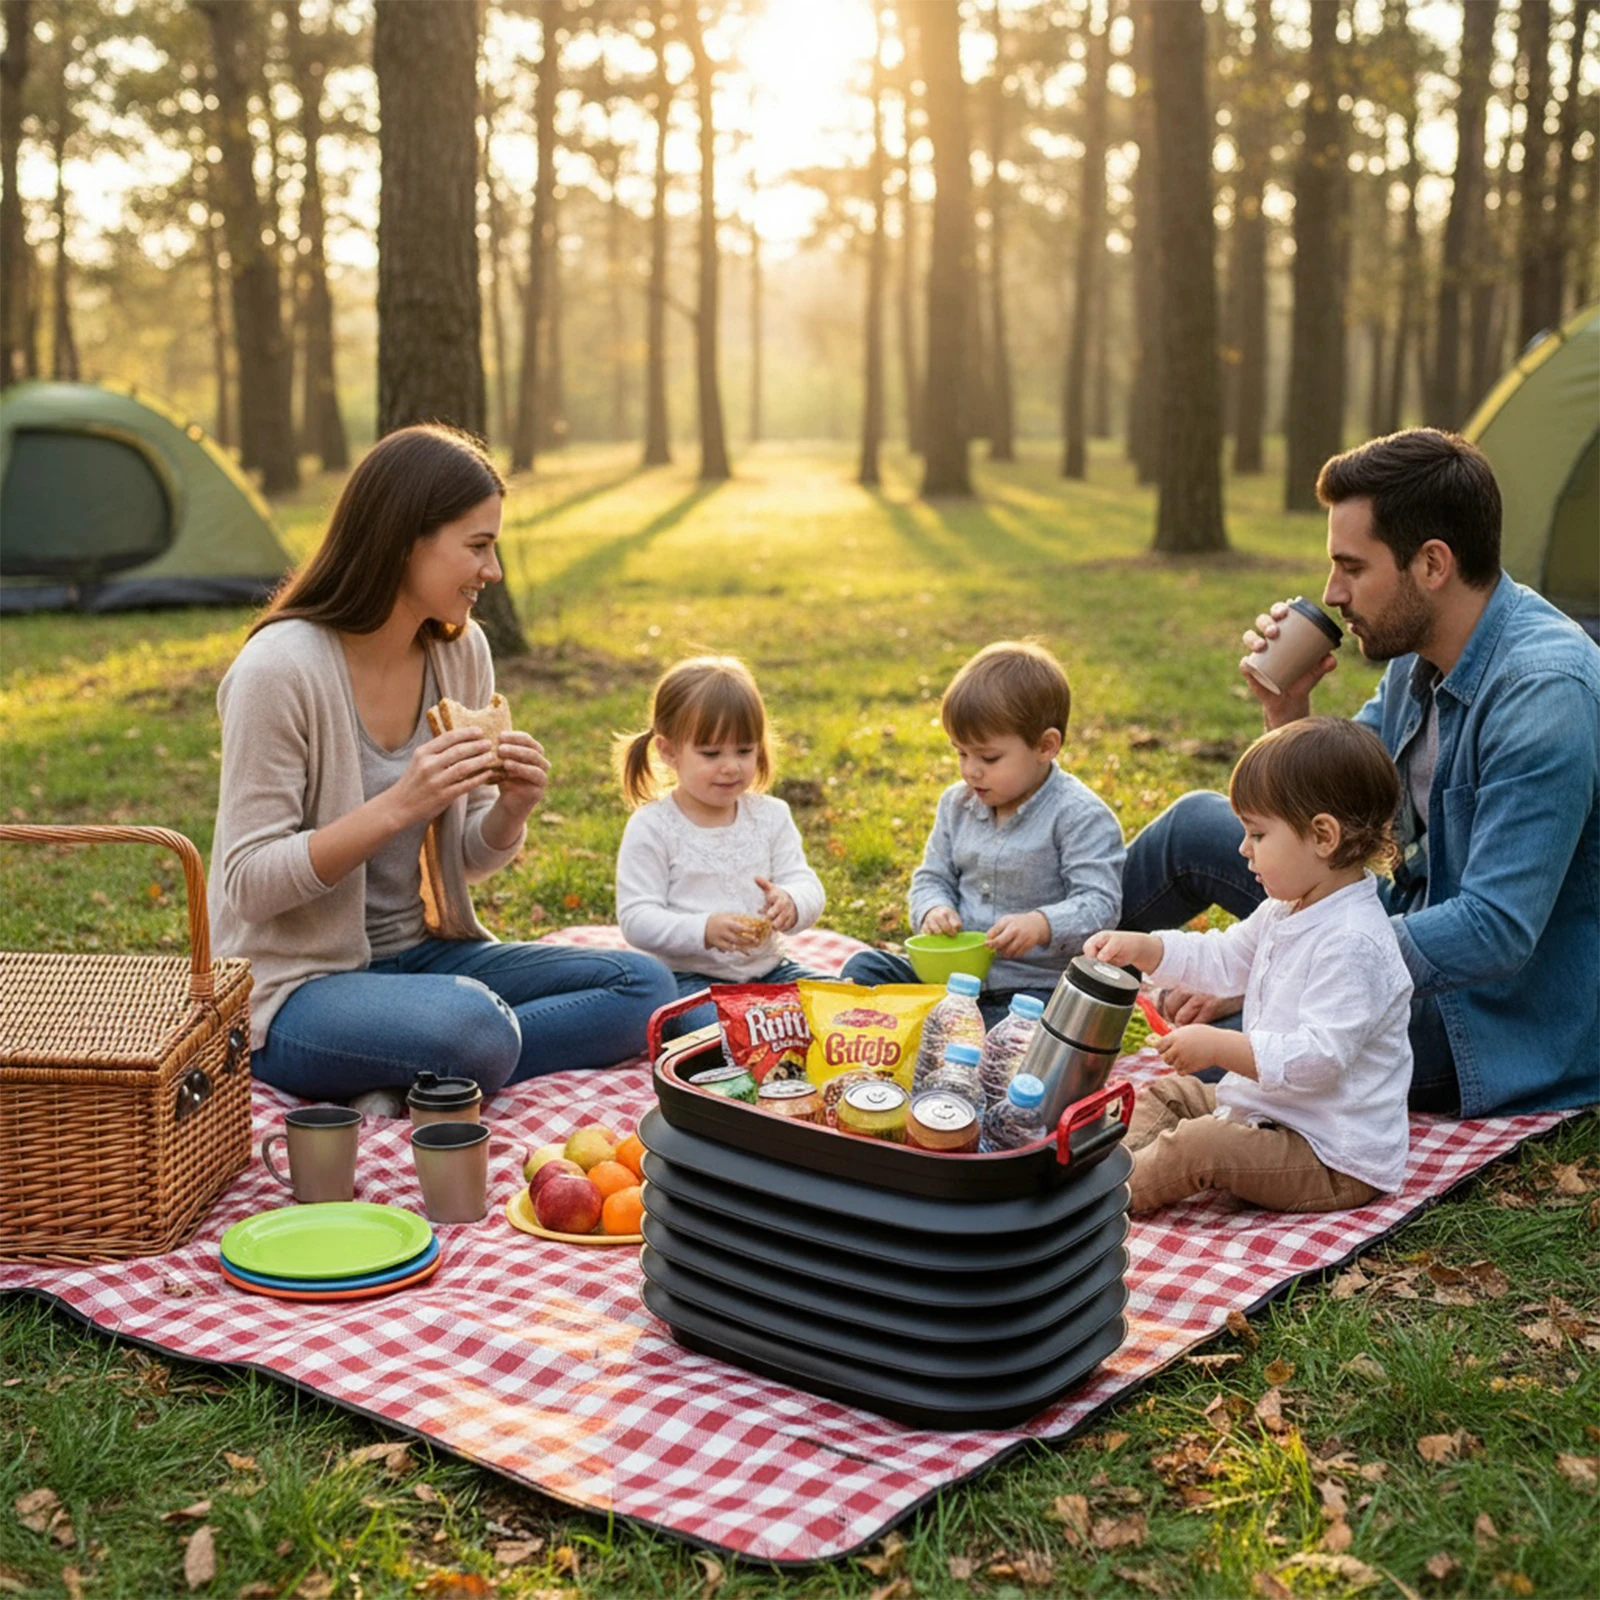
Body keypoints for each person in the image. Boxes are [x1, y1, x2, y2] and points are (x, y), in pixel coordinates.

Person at [1120, 428, 1599, 1118]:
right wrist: (1288, 715)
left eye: (1351, 567)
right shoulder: (1418, 650)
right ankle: (1023, 996)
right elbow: (1335, 818)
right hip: (1396, 930)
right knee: (1193, 827)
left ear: (1431, 564)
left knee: (1229, 1046)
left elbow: (1495, 930)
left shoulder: (1544, 692)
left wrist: (1276, 968)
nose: (1331, 593)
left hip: (1487, 1019)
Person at [210, 424, 676, 1115]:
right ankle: (441, 1058)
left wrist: (512, 808)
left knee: (644, 988)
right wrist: (397, 804)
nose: (494, 572)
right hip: (295, 992)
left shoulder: (461, 655)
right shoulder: (279, 671)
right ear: (404, 540)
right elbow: (247, 883)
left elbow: (462, 861)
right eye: (478, 546)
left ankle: (414, 1075)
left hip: (423, 957)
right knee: (472, 1026)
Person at [1088, 718, 1413, 1215]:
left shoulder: (1353, 940)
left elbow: (1318, 1058)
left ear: (1323, 836)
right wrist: (1148, 949)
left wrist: (1219, 1045)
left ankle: (1101, 1204)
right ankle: (1100, 1168)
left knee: (1202, 1145)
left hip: (1328, 1152)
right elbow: (1222, 956)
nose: (1243, 848)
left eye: (1257, 833)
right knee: (1171, 1094)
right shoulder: (1287, 908)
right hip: (1269, 1109)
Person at [841, 640, 1125, 1026]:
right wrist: (933, 909)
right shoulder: (956, 805)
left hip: (1030, 991)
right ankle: (926, 1030)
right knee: (864, 968)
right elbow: (932, 877)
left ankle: (946, 1036)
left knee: (1018, 1032)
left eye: (988, 758)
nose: (971, 770)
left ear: (1045, 746)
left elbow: (1100, 905)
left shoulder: (1079, 815)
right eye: (961, 753)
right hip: (946, 980)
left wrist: (1042, 924)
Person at [613, 655, 830, 1037]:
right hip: (690, 984)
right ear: (668, 751)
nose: (731, 766)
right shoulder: (653, 826)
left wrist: (792, 901)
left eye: (744, 751)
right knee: (723, 1036)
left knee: (840, 1006)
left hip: (770, 972)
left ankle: (779, 1032)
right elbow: (637, 918)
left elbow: (805, 881)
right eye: (711, 754)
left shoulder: (770, 815)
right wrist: (703, 929)